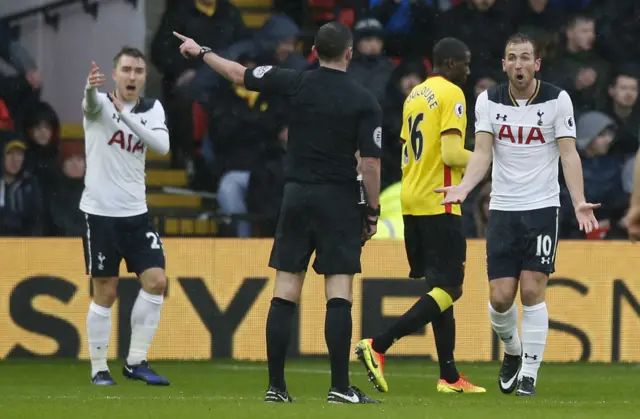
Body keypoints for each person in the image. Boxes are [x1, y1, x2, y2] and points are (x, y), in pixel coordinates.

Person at [174, 22, 382, 404]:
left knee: (286, 288)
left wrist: (201, 51)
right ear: (349, 53)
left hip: (296, 194)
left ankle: (276, 387)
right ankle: (339, 386)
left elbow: (237, 73)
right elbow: (369, 164)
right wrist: (372, 210)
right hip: (336, 198)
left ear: (315, 52)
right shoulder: (364, 99)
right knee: (338, 290)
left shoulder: (295, 81)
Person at [437, 33, 599, 396]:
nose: (519, 64)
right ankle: (512, 350)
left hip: (542, 207)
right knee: (499, 297)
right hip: (503, 209)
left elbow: (569, 155)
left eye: (526, 58)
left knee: (531, 290)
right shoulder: (488, 101)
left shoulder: (558, 100)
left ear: (537, 64)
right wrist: (464, 188)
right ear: (504, 64)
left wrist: (578, 201)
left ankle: (529, 371)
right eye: (512, 58)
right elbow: (481, 153)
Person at [354, 38, 486, 395]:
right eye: (466, 63)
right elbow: (452, 153)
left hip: (412, 196)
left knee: (438, 288)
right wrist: (491, 160)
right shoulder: (452, 94)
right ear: (450, 63)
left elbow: (407, 147)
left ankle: (449, 375)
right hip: (439, 200)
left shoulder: (416, 95)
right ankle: (378, 345)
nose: (469, 70)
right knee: (452, 288)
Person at [81, 47, 171, 386]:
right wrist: (90, 88)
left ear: (144, 77)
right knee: (106, 291)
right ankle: (99, 368)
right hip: (100, 214)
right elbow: (90, 105)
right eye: (126, 70)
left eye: (138, 71)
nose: (132, 76)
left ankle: (136, 362)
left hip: (137, 214)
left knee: (157, 281)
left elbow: (162, 147)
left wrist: (128, 116)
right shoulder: (98, 104)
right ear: (115, 74)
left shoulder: (152, 109)